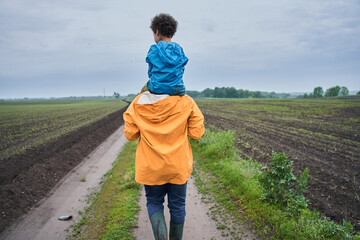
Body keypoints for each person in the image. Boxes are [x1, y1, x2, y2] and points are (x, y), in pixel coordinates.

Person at [123, 14, 205, 240]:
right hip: (177, 166)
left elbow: (130, 135)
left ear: (156, 32)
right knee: (177, 206)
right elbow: (197, 133)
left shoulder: (138, 103)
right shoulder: (187, 103)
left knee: (154, 203)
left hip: (151, 169)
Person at [141, 13, 188, 96]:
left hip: (157, 88)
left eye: (153, 34)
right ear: (172, 34)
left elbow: (150, 72)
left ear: (157, 32)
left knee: (143, 91)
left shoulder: (154, 49)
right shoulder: (179, 49)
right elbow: (181, 69)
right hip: (178, 88)